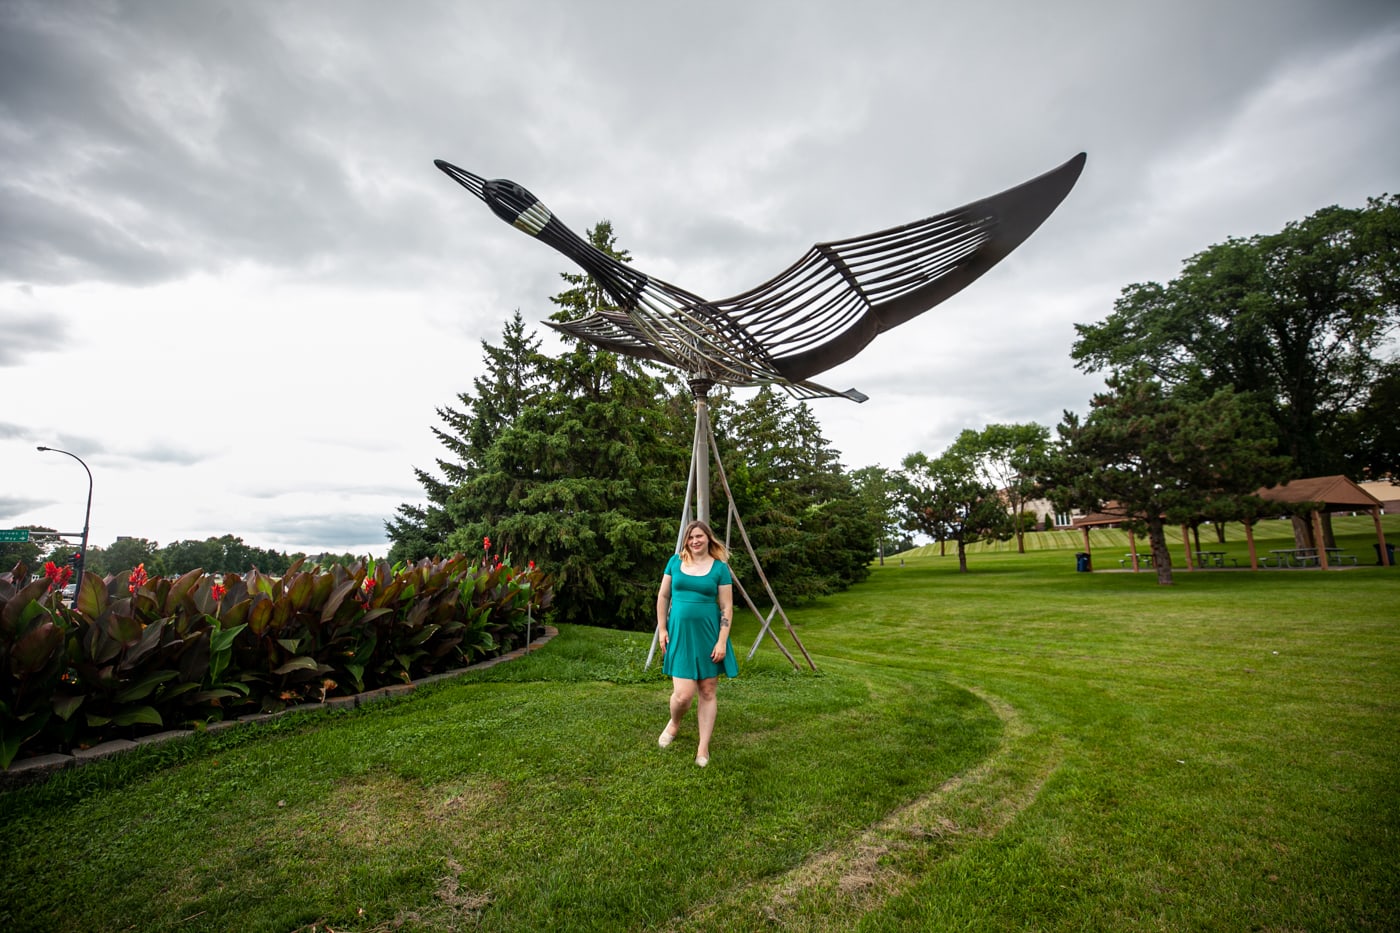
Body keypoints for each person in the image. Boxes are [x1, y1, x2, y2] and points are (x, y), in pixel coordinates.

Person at [655, 519, 736, 767]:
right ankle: (675, 722)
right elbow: (664, 595)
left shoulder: (719, 568)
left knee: (708, 690)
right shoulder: (675, 562)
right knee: (683, 695)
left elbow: (726, 606)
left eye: (699, 536)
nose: (695, 541)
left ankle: (703, 747)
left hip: (709, 635)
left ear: (708, 539)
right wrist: (662, 629)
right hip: (679, 634)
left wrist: (722, 641)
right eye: (691, 537)